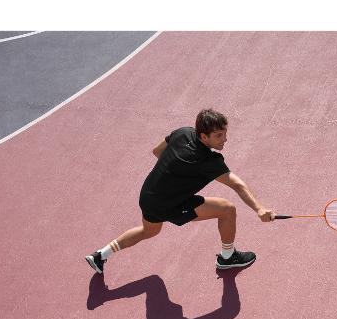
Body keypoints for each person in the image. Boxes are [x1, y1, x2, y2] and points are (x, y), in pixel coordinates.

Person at [85, 109, 274, 274]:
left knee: (148, 230)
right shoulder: (208, 161)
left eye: (224, 133)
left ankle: (100, 255)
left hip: (149, 195)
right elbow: (237, 185)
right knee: (227, 210)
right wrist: (259, 209)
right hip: (168, 204)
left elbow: (157, 151)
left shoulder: (183, 132)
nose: (225, 139)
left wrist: (175, 175)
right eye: (218, 135)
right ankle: (227, 257)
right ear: (203, 136)